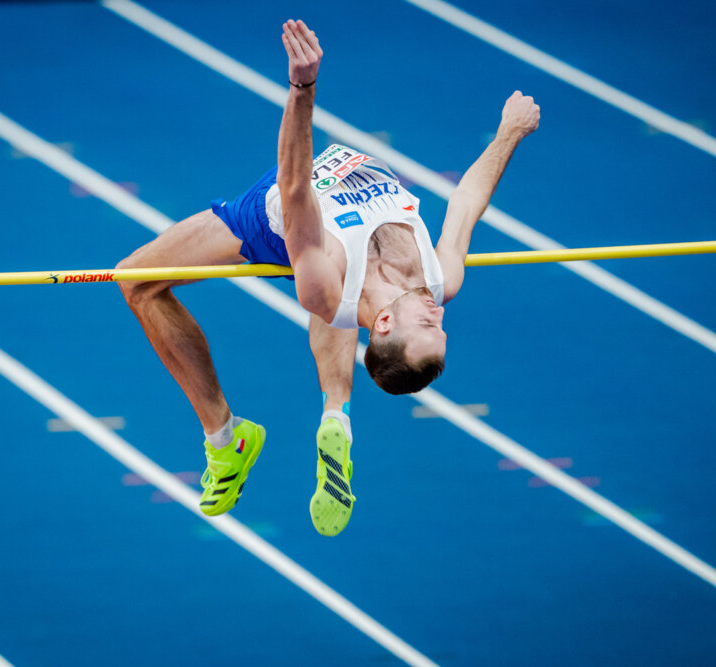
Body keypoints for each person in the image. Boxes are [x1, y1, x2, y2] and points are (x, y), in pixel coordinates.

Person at [116, 19, 540, 535]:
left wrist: (303, 86)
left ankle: (225, 439)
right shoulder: (440, 278)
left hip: (277, 216)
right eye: (441, 329)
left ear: (385, 325)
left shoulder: (326, 285)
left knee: (135, 280)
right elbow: (468, 201)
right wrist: (510, 132)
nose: (439, 314)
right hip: (338, 233)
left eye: (428, 327)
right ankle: (336, 415)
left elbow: (294, 186)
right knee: (341, 301)